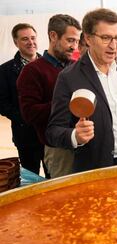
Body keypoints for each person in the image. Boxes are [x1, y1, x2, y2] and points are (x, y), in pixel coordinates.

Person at [46, 8, 117, 173]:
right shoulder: (68, 77)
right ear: (88, 38)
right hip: (96, 168)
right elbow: (54, 131)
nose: (114, 46)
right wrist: (75, 136)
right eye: (106, 38)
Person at [17, 14, 81, 178]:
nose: (74, 46)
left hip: (85, 142)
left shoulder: (76, 67)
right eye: (70, 40)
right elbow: (29, 113)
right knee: (65, 199)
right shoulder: (32, 71)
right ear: (53, 36)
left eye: (76, 41)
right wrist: (68, 104)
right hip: (59, 149)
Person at [0, 23, 45, 175]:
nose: (31, 42)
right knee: (30, 178)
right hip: (25, 136)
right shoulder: (4, 71)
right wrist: (25, 118)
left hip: (50, 134)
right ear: (16, 42)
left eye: (33, 38)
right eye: (25, 39)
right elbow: (3, 104)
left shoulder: (49, 65)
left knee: (54, 177)